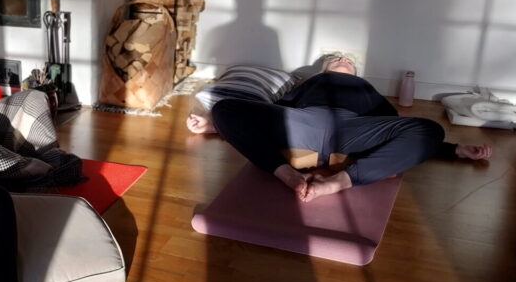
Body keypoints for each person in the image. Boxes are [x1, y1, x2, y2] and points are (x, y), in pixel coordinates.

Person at [190, 55, 492, 202]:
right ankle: (286, 174)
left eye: (347, 60)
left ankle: (341, 181)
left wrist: (454, 149)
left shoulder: (367, 88)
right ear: (324, 70)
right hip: (302, 122)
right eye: (335, 59)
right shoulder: (310, 82)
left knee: (430, 129)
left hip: (354, 128)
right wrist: (217, 125)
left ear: (357, 73)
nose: (342, 59)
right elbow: (270, 115)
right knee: (225, 107)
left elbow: (396, 128)